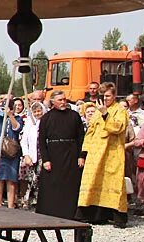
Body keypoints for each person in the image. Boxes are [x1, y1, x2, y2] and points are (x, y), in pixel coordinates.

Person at [76, 82, 128, 227]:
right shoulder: (97, 111)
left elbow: (118, 127)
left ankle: (118, 217)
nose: (105, 99)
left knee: (112, 182)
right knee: (93, 181)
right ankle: (95, 215)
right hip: (95, 153)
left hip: (112, 152)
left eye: (108, 96)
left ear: (114, 95)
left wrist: (106, 113)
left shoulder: (120, 110)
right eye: (103, 96)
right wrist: (84, 152)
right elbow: (90, 132)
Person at [37, 90, 85, 219]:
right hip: (54, 153)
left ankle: (72, 213)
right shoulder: (46, 118)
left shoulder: (74, 116)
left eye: (64, 99)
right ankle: (50, 212)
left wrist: (82, 155)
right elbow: (41, 140)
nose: (63, 102)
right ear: (53, 102)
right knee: (53, 183)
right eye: (60, 100)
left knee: (71, 183)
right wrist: (45, 159)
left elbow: (81, 137)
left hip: (71, 152)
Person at [0, 99, 23, 209]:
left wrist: (11, 115)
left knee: (11, 180)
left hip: (12, 153)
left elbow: (17, 128)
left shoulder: (18, 118)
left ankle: (11, 205)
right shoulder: (0, 119)